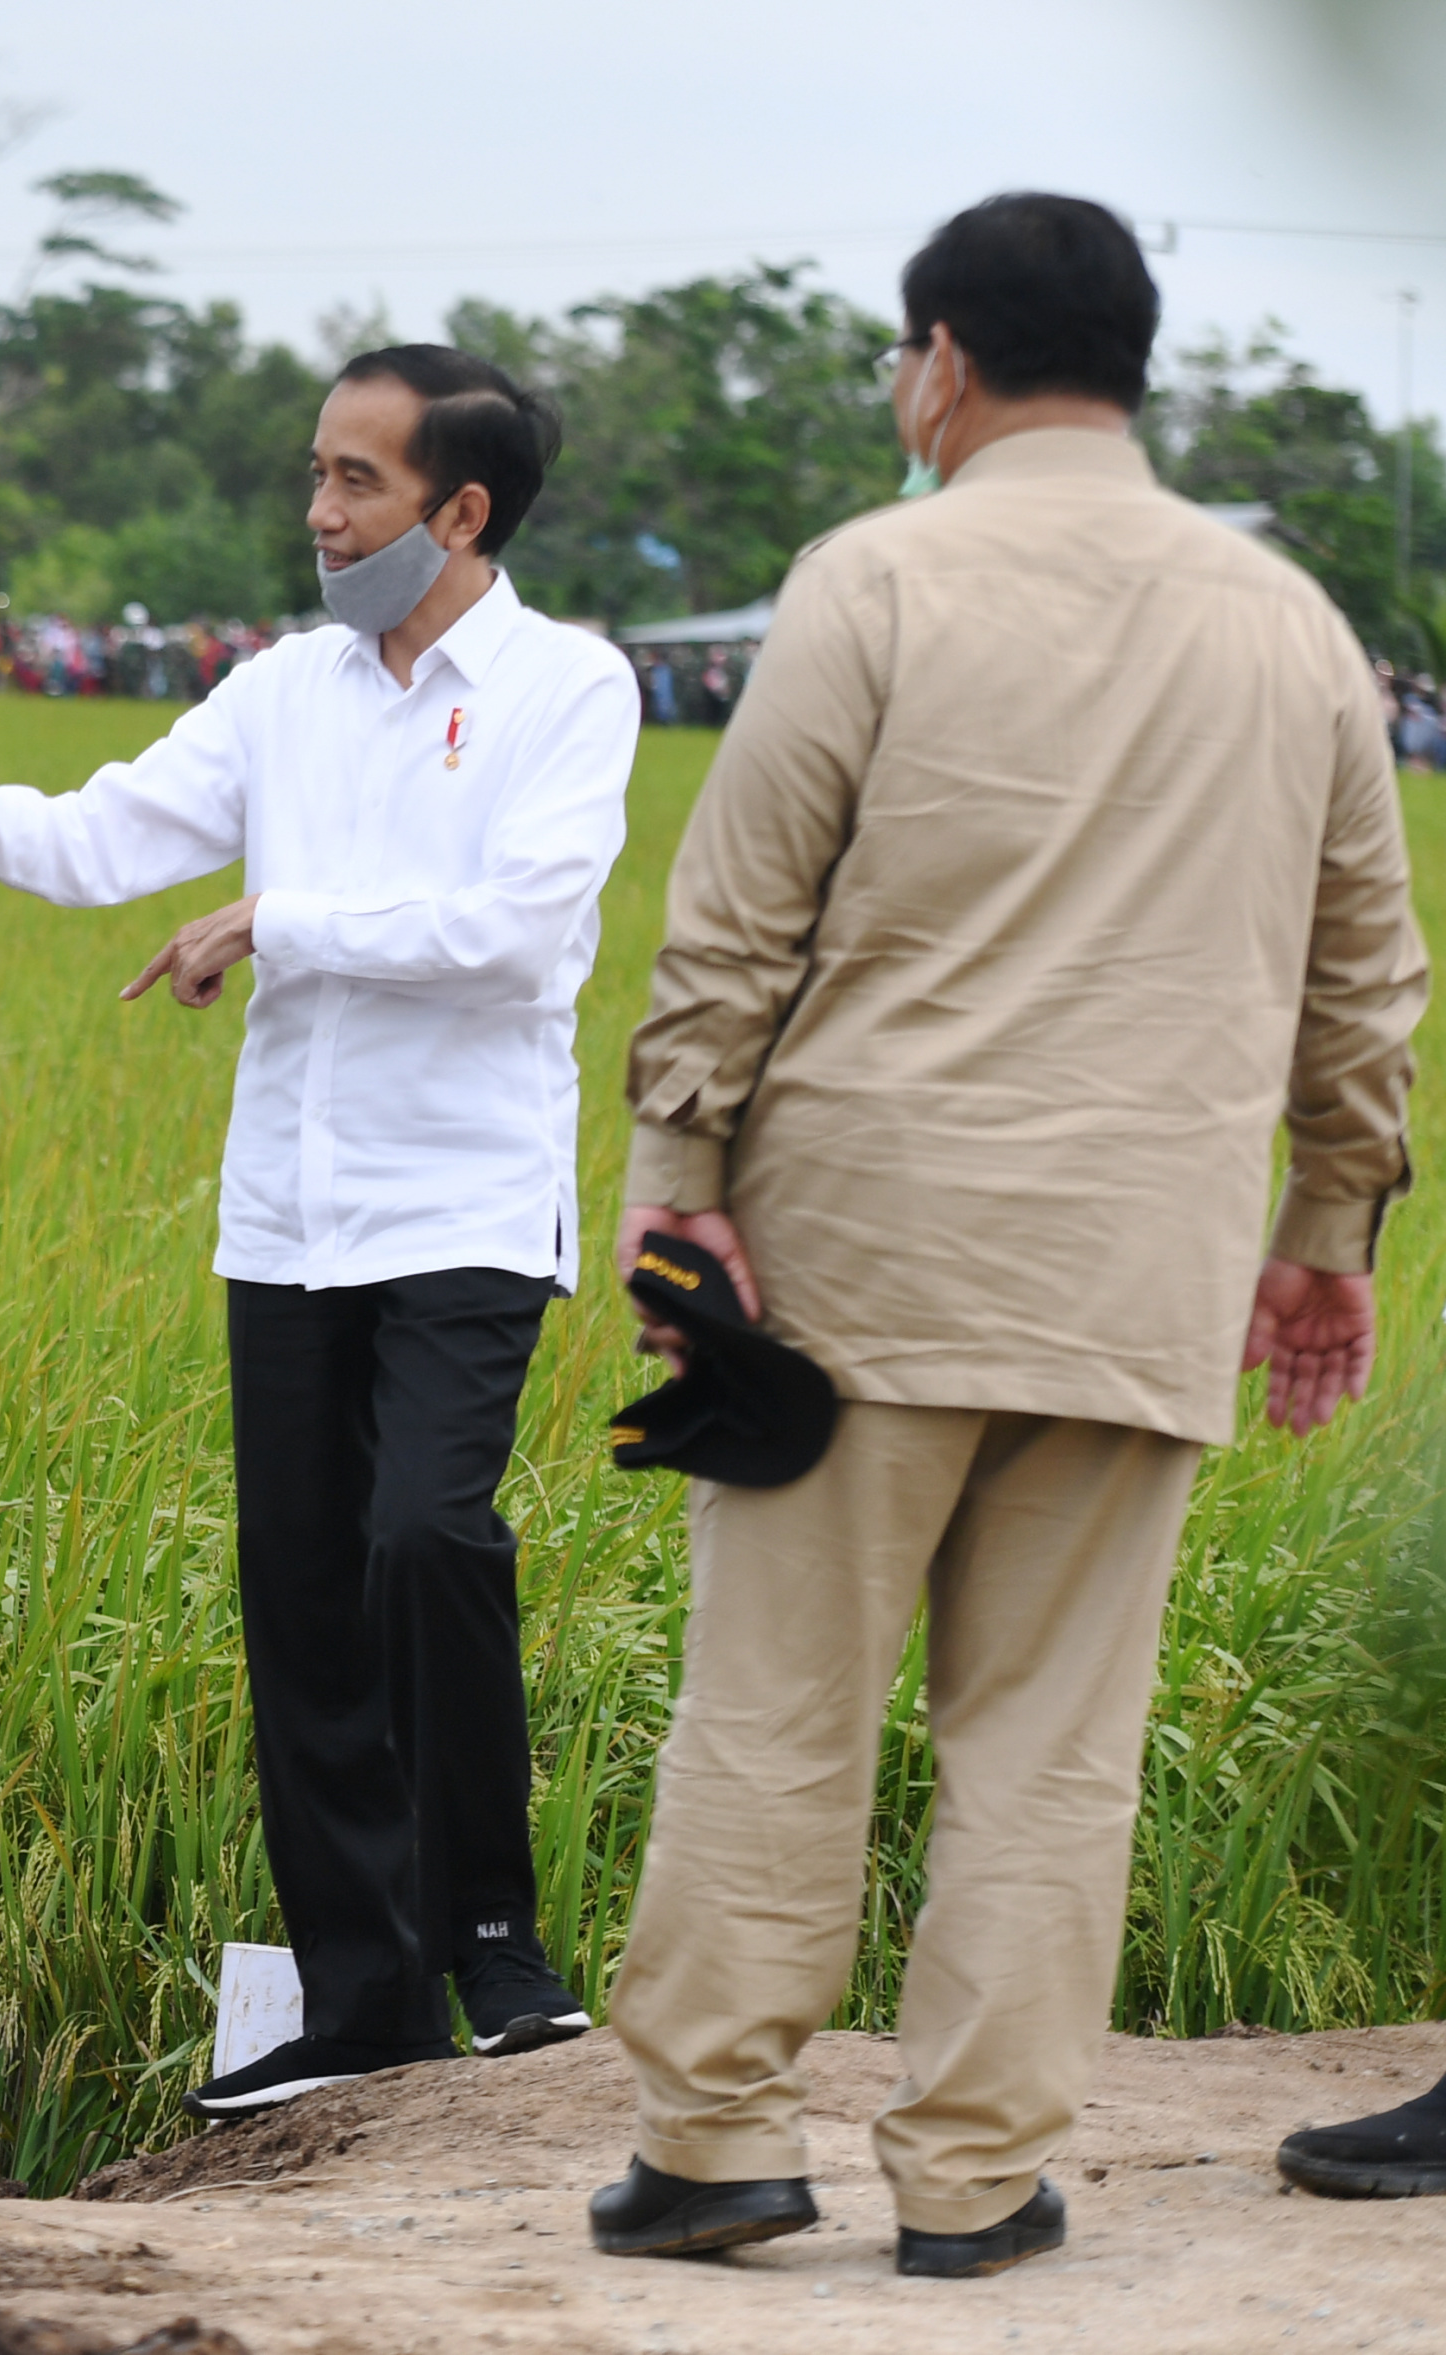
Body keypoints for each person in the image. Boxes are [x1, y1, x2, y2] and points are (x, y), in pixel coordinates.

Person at [586, 194, 1423, 2280]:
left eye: (903, 358)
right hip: (1141, 1263)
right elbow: (1364, 977)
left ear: (941, 363)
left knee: (777, 1703)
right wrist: (1327, 1223)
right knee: (1050, 1742)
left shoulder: (870, 579)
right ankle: (972, 2179)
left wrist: (678, 1176)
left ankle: (716, 2140)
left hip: (852, 1259)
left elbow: (737, 914)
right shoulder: (1293, 625)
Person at [0, 345, 641, 2118]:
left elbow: (518, 933)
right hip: (290, 1212)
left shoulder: (568, 684)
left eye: (358, 481)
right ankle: (365, 1999)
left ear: (462, 509)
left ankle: (496, 1943)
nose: (321, 512)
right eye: (316, 474)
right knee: (302, 1597)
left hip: (463, 1197)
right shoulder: (284, 691)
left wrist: (277, 920)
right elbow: (95, 840)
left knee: (426, 1534)